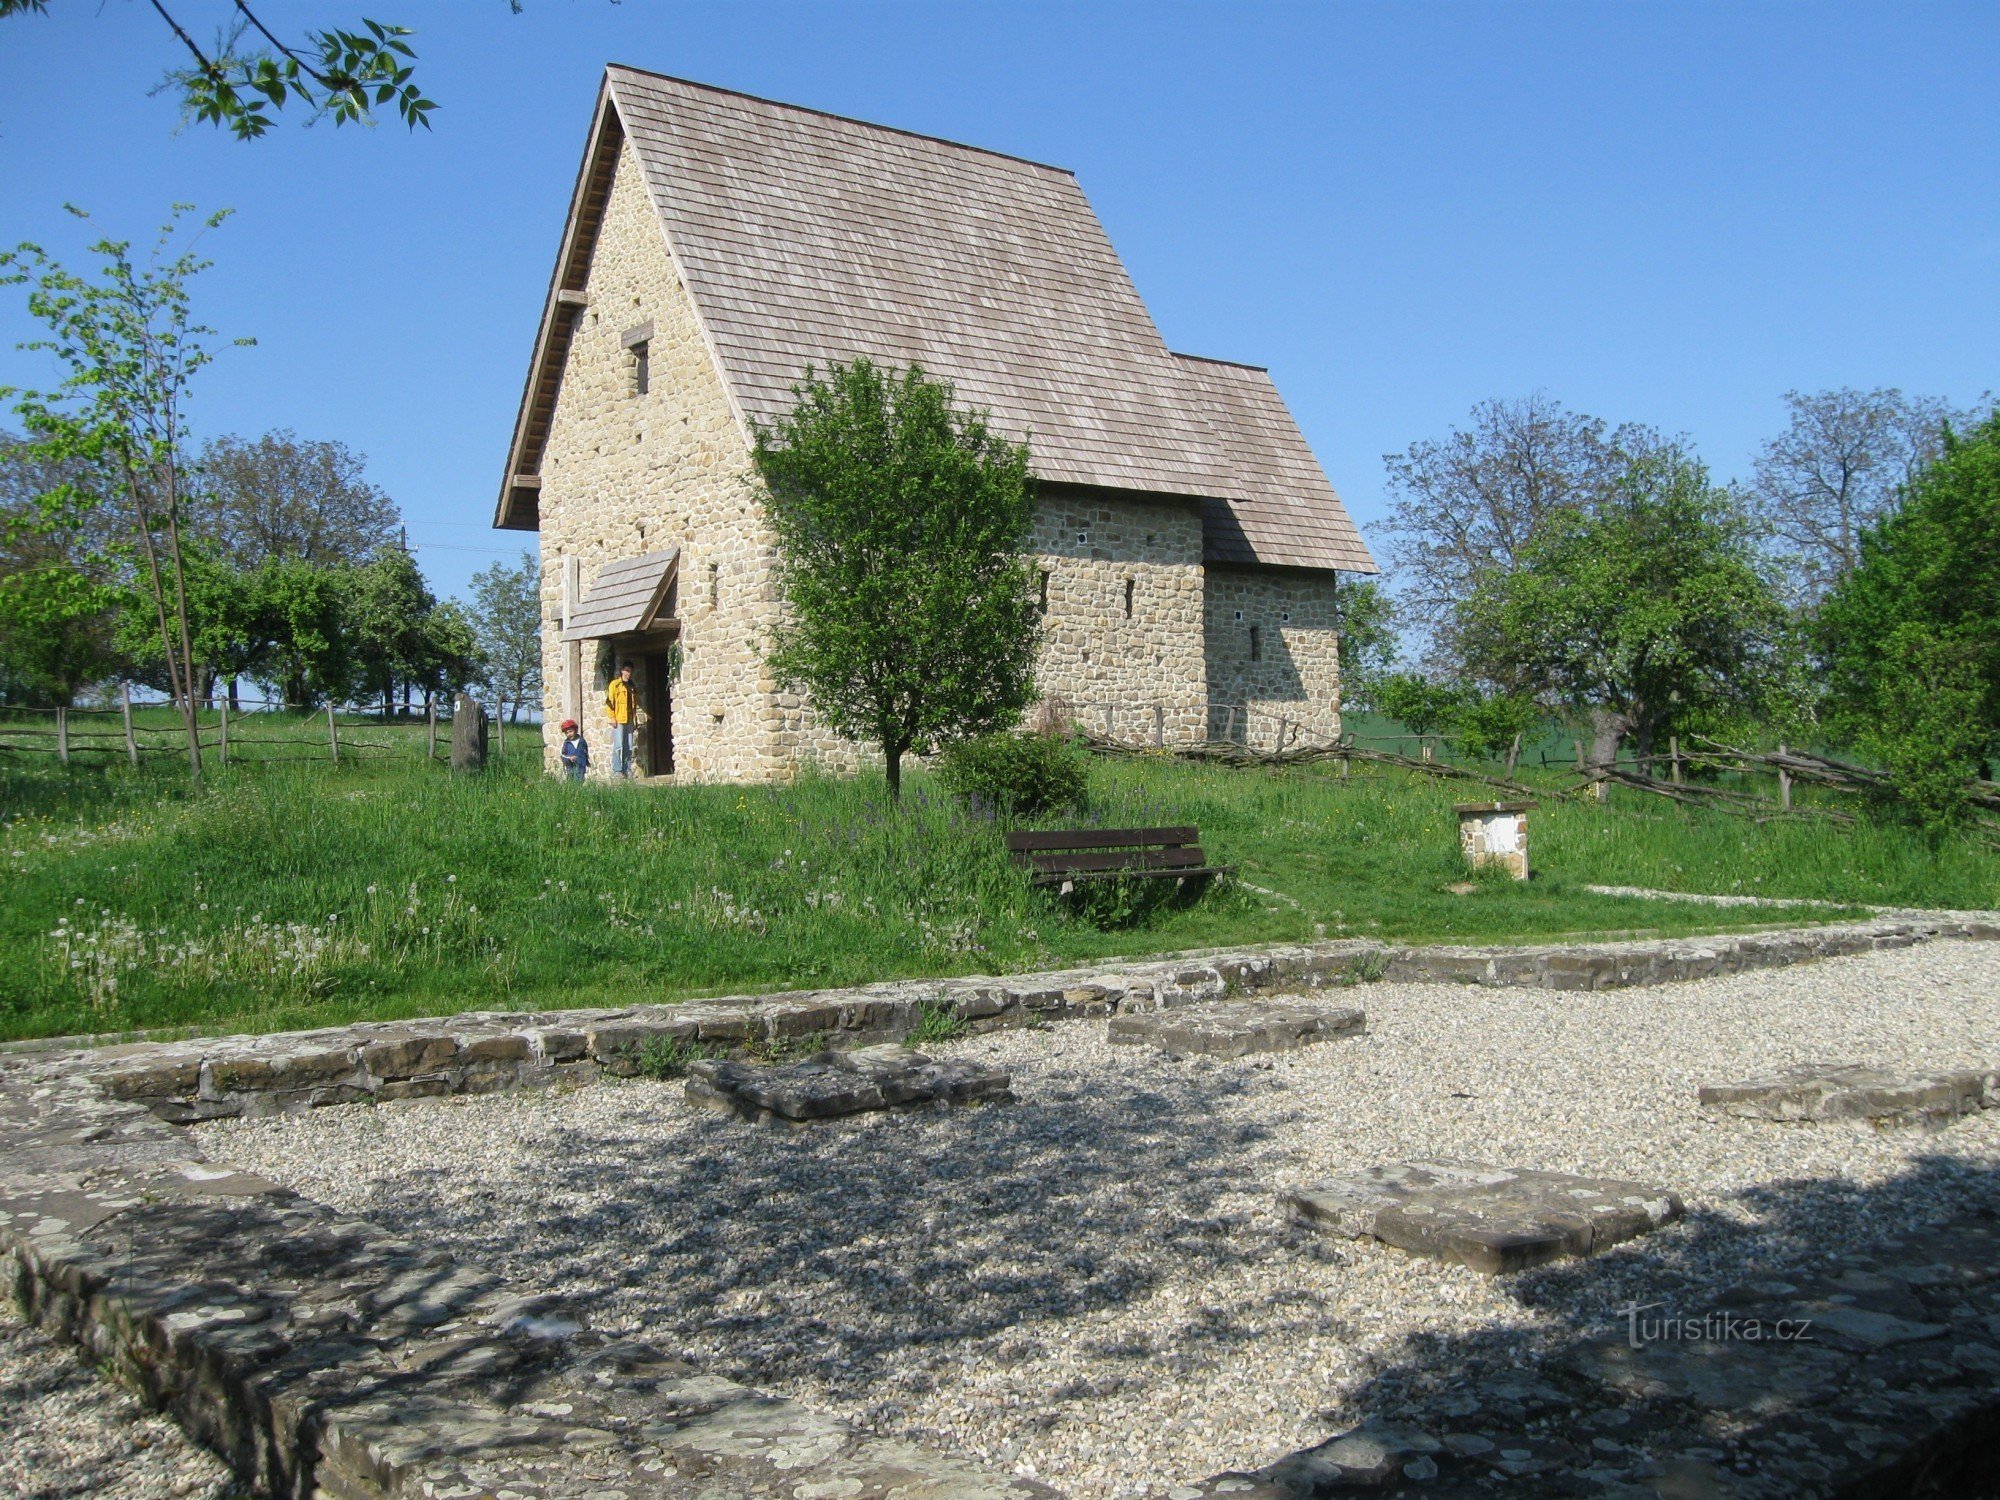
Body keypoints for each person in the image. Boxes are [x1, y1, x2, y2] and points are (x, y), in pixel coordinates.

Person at [605, 661, 637, 776]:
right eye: (627, 670)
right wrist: (612, 718)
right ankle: (617, 770)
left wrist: (634, 721)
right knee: (618, 745)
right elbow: (609, 702)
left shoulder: (632, 686)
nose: (629, 673)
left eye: (630, 671)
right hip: (618, 718)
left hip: (629, 718)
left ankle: (627, 769)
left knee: (628, 745)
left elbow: (633, 705)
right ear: (622, 671)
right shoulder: (615, 684)